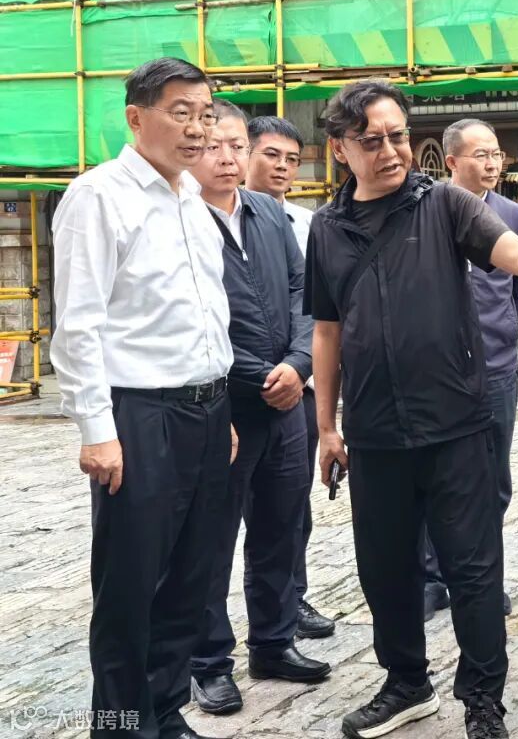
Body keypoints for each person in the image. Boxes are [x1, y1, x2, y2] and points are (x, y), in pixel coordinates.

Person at [305, 81, 518, 739]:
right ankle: (406, 684)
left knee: (473, 570)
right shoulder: (327, 230)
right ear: (339, 149)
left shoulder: (445, 204)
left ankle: (483, 699)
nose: (391, 151)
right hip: (375, 431)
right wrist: (327, 427)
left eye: (398, 136)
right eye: (371, 140)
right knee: (385, 569)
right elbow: (327, 331)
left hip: (456, 424)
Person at [51, 57, 235, 739]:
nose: (198, 128)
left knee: (192, 576)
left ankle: (164, 709)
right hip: (139, 415)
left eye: (205, 114)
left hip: (207, 411)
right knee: (131, 585)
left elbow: (205, 313)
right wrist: (96, 429)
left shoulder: (192, 200)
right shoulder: (98, 197)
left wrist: (217, 401)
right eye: (181, 113)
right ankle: (122, 725)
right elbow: (79, 325)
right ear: (136, 117)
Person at [188, 104, 330, 716]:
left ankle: (273, 642)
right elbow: (192, 317)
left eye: (236, 146)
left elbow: (305, 290)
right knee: (211, 538)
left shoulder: (270, 214)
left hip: (288, 399)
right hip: (224, 405)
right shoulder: (181, 220)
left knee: (280, 527)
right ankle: (207, 662)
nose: (227, 158)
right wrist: (259, 374)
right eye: (214, 146)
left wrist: (299, 363)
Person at [423, 119, 518, 621]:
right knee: (436, 475)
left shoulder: (513, 215)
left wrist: (499, 332)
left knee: (493, 478)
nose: (492, 164)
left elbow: (517, 290)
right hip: (440, 370)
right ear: (451, 162)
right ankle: (431, 577)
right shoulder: (426, 211)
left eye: (496, 154)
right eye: (480, 155)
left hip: (496, 365)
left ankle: (484, 576)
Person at [244, 114, 335, 639]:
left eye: (292, 159)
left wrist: (300, 368)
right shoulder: (212, 219)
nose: (282, 167)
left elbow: (316, 304)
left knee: (290, 506)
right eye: (271, 155)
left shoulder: (308, 223)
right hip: (241, 388)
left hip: (299, 385)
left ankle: (289, 602)